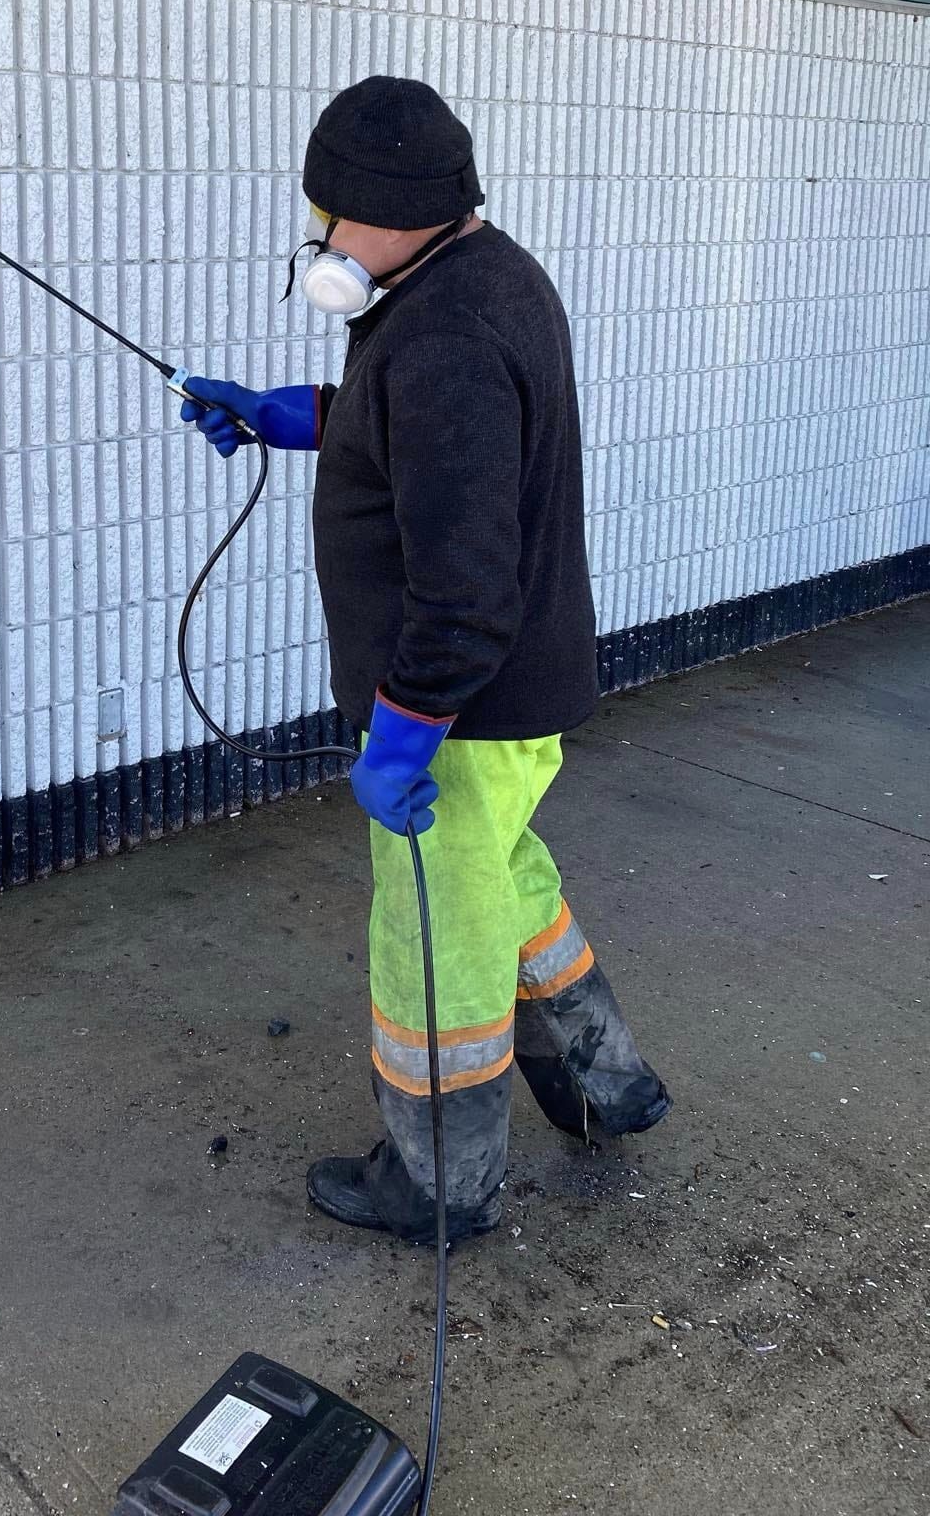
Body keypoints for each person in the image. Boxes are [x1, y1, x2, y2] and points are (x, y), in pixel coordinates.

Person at [180, 76, 669, 1244]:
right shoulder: (476, 276)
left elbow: (462, 588)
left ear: (392, 210)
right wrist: (286, 413)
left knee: (432, 944)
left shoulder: (443, 330)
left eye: (333, 218)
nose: (322, 240)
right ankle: (605, 1079)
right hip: (515, 697)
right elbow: (414, 425)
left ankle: (440, 1180)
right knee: (509, 882)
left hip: (459, 709)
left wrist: (402, 734)